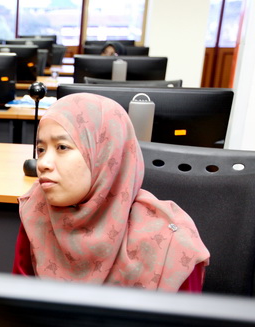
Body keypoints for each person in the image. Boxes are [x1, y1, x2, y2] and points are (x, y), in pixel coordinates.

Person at [13, 93, 210, 292]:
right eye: (41, 149)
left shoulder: (172, 242)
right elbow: (17, 301)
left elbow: (183, 313)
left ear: (104, 154)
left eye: (62, 147)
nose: (43, 163)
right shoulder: (37, 210)